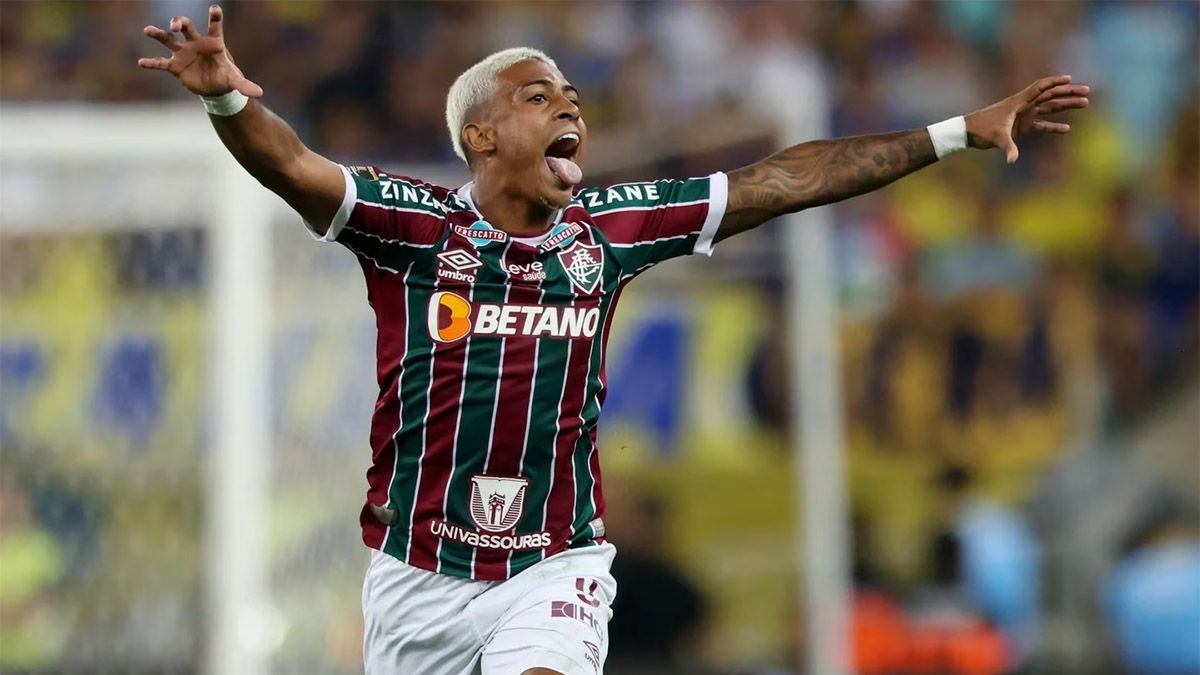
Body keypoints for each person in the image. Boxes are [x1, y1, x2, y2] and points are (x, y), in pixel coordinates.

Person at [137, 6, 1089, 674]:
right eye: (538, 94)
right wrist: (228, 100)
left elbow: (786, 179)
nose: (569, 105)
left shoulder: (609, 229)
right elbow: (293, 165)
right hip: (416, 572)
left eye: (572, 94)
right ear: (480, 135)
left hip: (555, 560)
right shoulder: (414, 228)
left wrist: (961, 129)